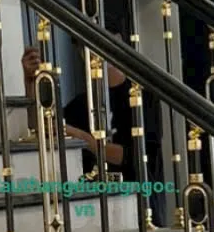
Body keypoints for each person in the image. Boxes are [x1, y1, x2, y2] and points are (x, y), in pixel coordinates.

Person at [21, 44, 159, 185]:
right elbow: (44, 128)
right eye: (84, 49)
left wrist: (84, 138)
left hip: (136, 193)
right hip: (92, 194)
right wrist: (31, 83)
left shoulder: (141, 97)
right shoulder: (81, 103)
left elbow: (136, 156)